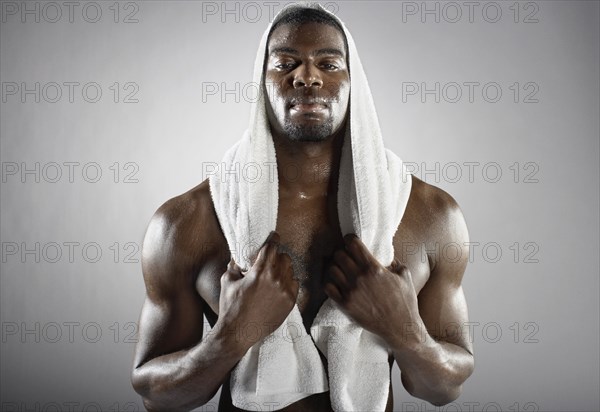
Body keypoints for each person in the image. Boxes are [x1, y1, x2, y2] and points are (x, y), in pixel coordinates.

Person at [131, 4, 474, 412]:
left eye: (328, 63)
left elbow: (443, 389)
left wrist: (404, 331)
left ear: (354, 82)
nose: (307, 77)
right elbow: (157, 396)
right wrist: (232, 336)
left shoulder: (430, 216)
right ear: (262, 84)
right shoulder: (186, 223)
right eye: (285, 63)